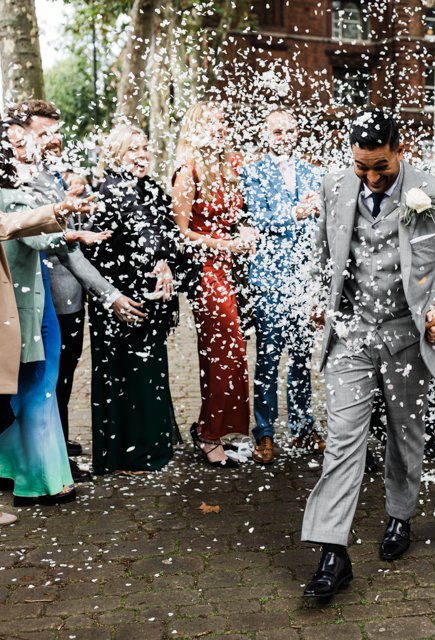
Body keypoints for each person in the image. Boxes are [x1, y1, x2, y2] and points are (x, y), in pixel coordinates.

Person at [299, 110, 435, 607]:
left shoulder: (433, 193)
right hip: (351, 334)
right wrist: (318, 299)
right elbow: (323, 255)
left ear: (402, 150)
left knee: (404, 431)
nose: (371, 177)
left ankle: (400, 514)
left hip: (406, 334)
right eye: (362, 168)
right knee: (342, 440)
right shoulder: (335, 187)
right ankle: (333, 552)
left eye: (381, 167)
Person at [7, 100, 143, 484]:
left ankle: (57, 445)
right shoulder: (17, 181)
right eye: (44, 132)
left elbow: (73, 230)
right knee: (37, 382)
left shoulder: (52, 173)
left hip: (67, 295)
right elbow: (58, 245)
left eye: (56, 131)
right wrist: (108, 292)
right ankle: (39, 461)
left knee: (61, 376)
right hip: (37, 295)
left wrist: (80, 208)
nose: (53, 139)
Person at [0, 131, 100, 506]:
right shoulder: (12, 195)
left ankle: (13, 469)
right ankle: (41, 481)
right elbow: (35, 237)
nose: (31, 149)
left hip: (23, 309)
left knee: (22, 394)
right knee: (40, 391)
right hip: (28, 314)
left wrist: (71, 228)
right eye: (20, 145)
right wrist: (64, 212)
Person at [83, 124, 180, 475]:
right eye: (132, 150)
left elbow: (168, 235)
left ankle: (152, 447)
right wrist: (114, 298)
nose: (141, 155)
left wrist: (167, 264)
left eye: (144, 148)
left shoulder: (151, 189)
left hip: (151, 297)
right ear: (115, 156)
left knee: (149, 373)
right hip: (119, 302)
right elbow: (92, 252)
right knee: (124, 375)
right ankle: (126, 457)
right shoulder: (108, 192)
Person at [172, 101, 254, 468]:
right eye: (211, 123)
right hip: (207, 272)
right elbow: (181, 233)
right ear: (195, 128)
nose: (219, 128)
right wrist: (223, 244)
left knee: (236, 352)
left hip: (233, 267)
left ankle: (218, 429)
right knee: (222, 351)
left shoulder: (229, 167)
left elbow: (240, 215)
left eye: (222, 122)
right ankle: (208, 434)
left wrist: (245, 232)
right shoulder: (186, 172)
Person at [240, 109, 323, 465]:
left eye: (290, 130)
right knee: (269, 357)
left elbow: (321, 223)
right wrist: (295, 213)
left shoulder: (313, 172)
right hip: (269, 276)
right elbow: (256, 217)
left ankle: (304, 427)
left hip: (303, 276)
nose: (284, 136)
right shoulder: (251, 172)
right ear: (265, 132)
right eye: (277, 131)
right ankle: (265, 432)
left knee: (302, 356)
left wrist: (316, 210)